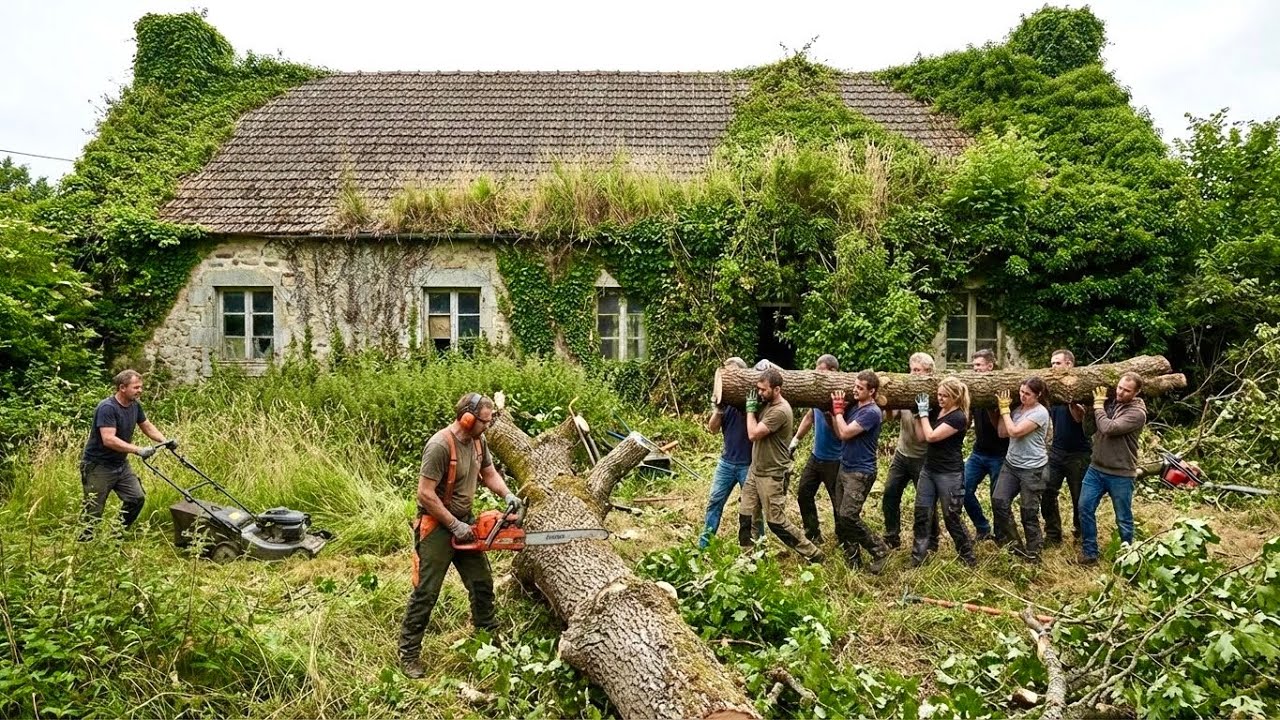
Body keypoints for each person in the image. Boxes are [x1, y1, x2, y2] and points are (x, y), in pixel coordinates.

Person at [400, 393, 523, 679]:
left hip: (465, 521)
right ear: (467, 418)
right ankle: (408, 654)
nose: (487, 427)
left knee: (481, 582)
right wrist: (454, 525)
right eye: (484, 422)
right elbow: (425, 494)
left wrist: (506, 494)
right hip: (437, 525)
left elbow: (488, 471)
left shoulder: (479, 441)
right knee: (426, 592)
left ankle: (488, 641)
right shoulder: (440, 446)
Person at [739, 367, 824, 563]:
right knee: (746, 516)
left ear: (777, 389)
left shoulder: (780, 411)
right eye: (758, 389)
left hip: (772, 474)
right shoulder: (767, 403)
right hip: (756, 470)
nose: (759, 393)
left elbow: (753, 434)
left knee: (776, 521)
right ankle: (749, 559)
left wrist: (750, 411)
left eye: (763, 390)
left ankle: (813, 554)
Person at [79, 369, 173, 541]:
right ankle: (84, 546)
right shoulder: (107, 408)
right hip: (98, 466)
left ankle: (116, 536)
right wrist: (137, 449)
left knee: (136, 498)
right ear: (122, 387)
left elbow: (146, 425)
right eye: (136, 387)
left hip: (120, 465)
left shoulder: (134, 405)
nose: (140, 390)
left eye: (141, 387)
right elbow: (109, 439)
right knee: (94, 510)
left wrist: (165, 440)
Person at [1076, 373, 1148, 565]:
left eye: (1126, 390)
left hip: (1121, 473)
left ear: (1137, 392)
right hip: (1096, 468)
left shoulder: (1137, 413)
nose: (1120, 392)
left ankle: (1128, 555)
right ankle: (1090, 553)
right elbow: (1089, 430)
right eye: (1119, 387)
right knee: (1084, 508)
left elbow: (1109, 428)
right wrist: (1091, 409)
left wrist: (1099, 407)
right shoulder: (1110, 402)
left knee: (1123, 517)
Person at [912, 376, 977, 567]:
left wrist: (923, 414)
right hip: (929, 469)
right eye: (939, 395)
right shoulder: (938, 411)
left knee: (951, 517)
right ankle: (918, 558)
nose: (940, 399)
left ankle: (968, 556)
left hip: (949, 473)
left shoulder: (958, 417)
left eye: (945, 396)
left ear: (955, 397)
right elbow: (921, 436)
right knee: (922, 513)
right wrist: (917, 415)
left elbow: (932, 436)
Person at [829, 371, 890, 573]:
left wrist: (838, 412)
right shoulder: (856, 408)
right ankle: (853, 557)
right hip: (845, 467)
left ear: (871, 391)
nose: (855, 390)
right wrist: (832, 415)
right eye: (854, 386)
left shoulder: (872, 412)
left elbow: (846, 431)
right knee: (841, 515)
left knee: (848, 515)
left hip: (861, 472)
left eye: (860, 388)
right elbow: (841, 435)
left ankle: (879, 549)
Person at [701, 357, 763, 548]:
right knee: (714, 502)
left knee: (753, 509)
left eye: (733, 373)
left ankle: (759, 547)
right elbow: (712, 429)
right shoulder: (724, 401)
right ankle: (704, 546)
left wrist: (749, 407)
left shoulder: (755, 399)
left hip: (749, 464)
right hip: (726, 463)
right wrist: (718, 410)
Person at [881, 352, 940, 551]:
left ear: (928, 373)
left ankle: (932, 541)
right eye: (911, 369)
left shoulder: (932, 399)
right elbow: (891, 416)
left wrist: (917, 411)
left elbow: (922, 435)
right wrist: (888, 404)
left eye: (917, 370)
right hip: (901, 453)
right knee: (890, 493)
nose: (912, 374)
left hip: (923, 457)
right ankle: (892, 536)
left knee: (925, 501)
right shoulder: (907, 391)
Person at [993, 378, 1052, 562]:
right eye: (1021, 392)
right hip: (1011, 465)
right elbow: (1002, 433)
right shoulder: (1018, 410)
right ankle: (1015, 546)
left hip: (1033, 469)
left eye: (1027, 394)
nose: (1022, 396)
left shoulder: (1040, 413)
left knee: (1028, 512)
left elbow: (1016, 432)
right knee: (999, 502)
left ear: (1038, 395)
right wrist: (1006, 411)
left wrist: (1004, 411)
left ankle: (1034, 554)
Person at [791, 354, 843, 545]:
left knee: (838, 503)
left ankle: (843, 538)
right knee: (804, 493)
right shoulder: (817, 393)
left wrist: (830, 412)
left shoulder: (841, 396)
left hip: (835, 460)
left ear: (832, 372)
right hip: (816, 457)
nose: (817, 376)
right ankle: (813, 534)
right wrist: (795, 440)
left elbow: (840, 433)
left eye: (821, 372)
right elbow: (809, 416)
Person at [1043, 349, 1090, 546]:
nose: (1053, 367)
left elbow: (1080, 417)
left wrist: (1071, 397)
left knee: (1079, 498)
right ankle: (1053, 535)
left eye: (1057, 363)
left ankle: (1080, 534)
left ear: (1069, 364)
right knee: (1046, 492)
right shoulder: (1052, 389)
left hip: (1079, 453)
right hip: (1057, 451)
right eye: (1052, 363)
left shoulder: (1083, 386)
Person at [962, 349, 1007, 541]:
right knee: (962, 490)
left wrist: (991, 405)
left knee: (996, 497)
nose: (976, 370)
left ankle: (1001, 535)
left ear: (990, 366)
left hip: (1000, 454)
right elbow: (967, 421)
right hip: (978, 453)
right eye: (974, 366)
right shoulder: (974, 388)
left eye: (979, 365)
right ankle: (982, 528)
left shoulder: (1003, 388)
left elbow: (1000, 429)